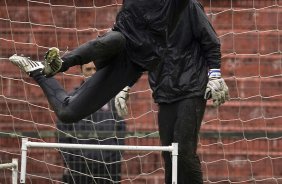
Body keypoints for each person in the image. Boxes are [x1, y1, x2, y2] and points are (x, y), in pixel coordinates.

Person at [8, 0, 191, 124]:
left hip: (131, 63)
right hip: (116, 43)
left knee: (67, 113)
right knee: (116, 39)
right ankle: (59, 64)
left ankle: (39, 71)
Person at [114, 0, 229, 184]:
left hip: (191, 88)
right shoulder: (145, 14)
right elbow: (141, 56)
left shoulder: (189, 6)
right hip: (164, 91)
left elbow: (212, 42)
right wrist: (125, 86)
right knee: (169, 154)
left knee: (183, 150)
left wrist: (214, 76)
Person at [57, 62, 126, 184]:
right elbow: (61, 131)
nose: (93, 73)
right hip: (78, 166)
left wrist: (115, 157)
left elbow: (121, 128)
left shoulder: (112, 97)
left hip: (108, 166)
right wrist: (71, 160)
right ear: (81, 71)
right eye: (88, 69)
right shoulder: (70, 99)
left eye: (96, 69)